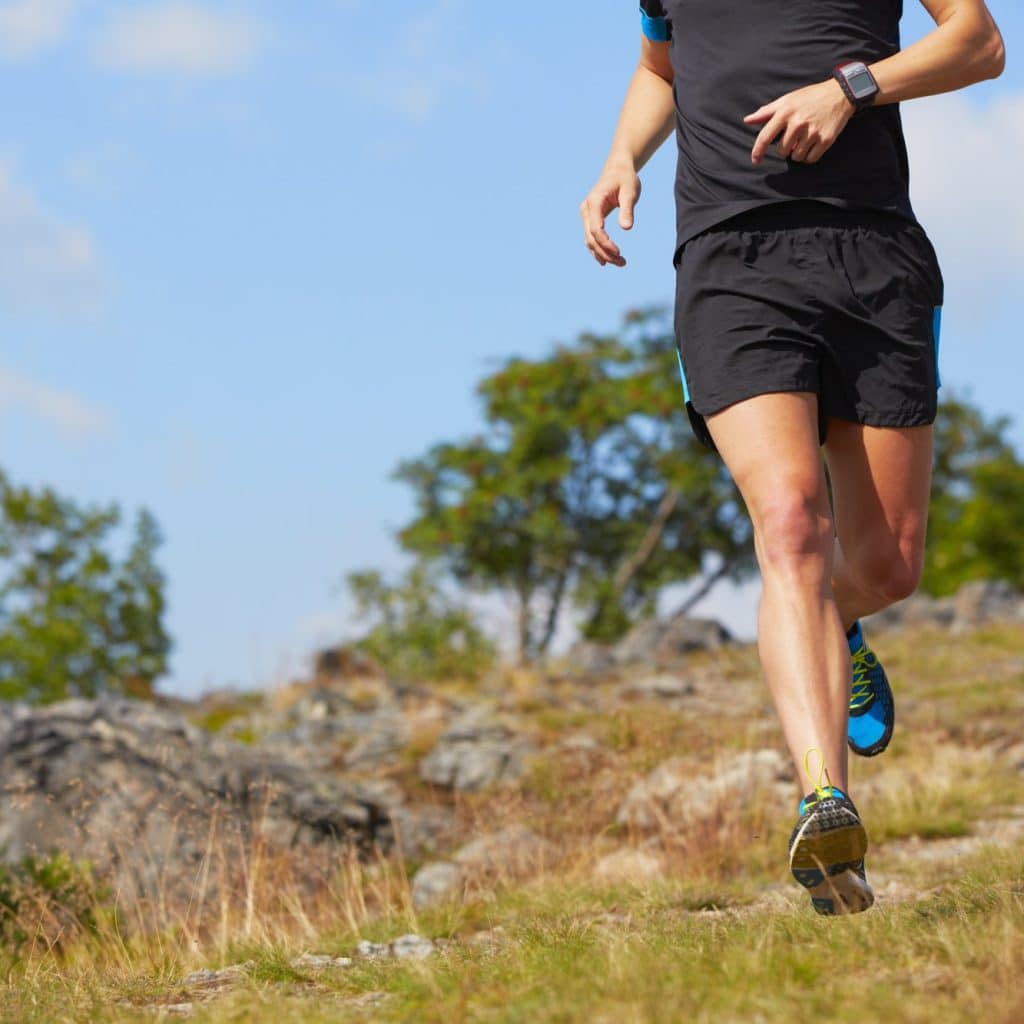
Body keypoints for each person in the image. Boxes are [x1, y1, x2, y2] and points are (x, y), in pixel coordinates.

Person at [580, 0, 1005, 915]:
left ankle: (833, 625)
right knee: (789, 526)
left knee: (887, 564)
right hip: (731, 259)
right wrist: (622, 156)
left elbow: (979, 41)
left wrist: (852, 90)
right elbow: (662, 66)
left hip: (874, 252)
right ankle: (826, 804)